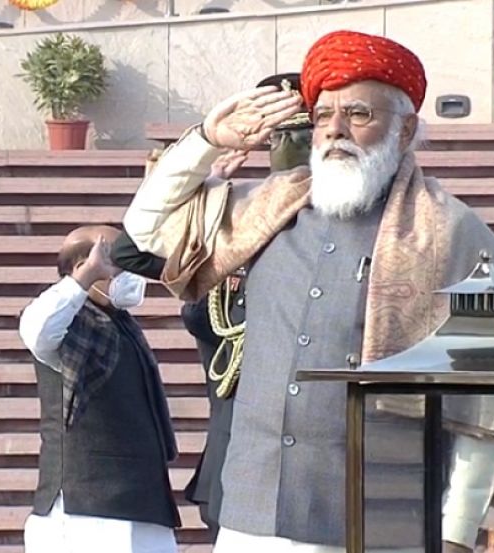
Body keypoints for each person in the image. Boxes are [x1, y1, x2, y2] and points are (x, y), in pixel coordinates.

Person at [123, 30, 494, 552]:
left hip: (372, 520)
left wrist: (455, 532)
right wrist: (206, 139)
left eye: (359, 115)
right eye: (323, 116)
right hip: (250, 514)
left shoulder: (454, 235)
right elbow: (144, 233)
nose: (335, 130)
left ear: (405, 129)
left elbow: (482, 405)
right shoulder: (265, 210)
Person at [111, 72, 314, 540]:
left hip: (321, 469)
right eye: (284, 135)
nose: (296, 147)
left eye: (305, 133)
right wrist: (202, 164)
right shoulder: (244, 223)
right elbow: (133, 249)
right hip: (239, 458)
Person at [19, 225, 180, 553]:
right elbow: (36, 328)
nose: (131, 275)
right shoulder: (68, 325)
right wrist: (86, 277)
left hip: (144, 501)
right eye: (121, 263)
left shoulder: (122, 324)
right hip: (88, 506)